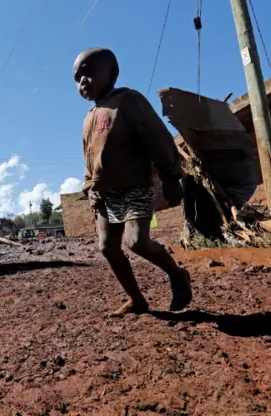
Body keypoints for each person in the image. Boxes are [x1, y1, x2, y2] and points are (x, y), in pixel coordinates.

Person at [72, 47, 192, 317]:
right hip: (104, 194)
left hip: (134, 186)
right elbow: (88, 159)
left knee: (137, 241)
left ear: (112, 73)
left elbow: (156, 136)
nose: (82, 82)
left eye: (88, 73)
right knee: (107, 247)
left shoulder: (127, 100)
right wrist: (89, 188)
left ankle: (176, 274)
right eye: (77, 78)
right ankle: (136, 299)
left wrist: (171, 175)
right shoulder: (88, 118)